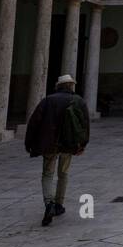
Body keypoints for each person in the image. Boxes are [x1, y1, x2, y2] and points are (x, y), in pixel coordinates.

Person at [24, 73, 90, 227]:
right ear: (71, 86)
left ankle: (49, 204)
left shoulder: (48, 100)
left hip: (49, 144)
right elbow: (85, 125)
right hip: (69, 144)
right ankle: (59, 204)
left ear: (58, 86)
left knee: (47, 174)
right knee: (63, 174)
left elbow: (34, 123)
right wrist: (83, 144)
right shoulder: (78, 101)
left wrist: (29, 143)